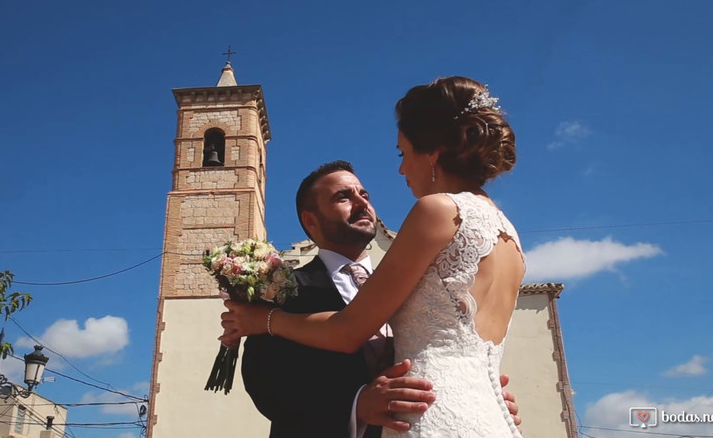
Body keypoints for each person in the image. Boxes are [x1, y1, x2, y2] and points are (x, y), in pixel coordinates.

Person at [223, 77, 525, 437]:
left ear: (433, 153)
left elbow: (348, 330)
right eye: (343, 197)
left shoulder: (435, 212)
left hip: (430, 417)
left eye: (403, 153)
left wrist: (263, 320)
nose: (400, 169)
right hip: (483, 417)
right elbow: (269, 387)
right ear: (310, 220)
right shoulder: (509, 236)